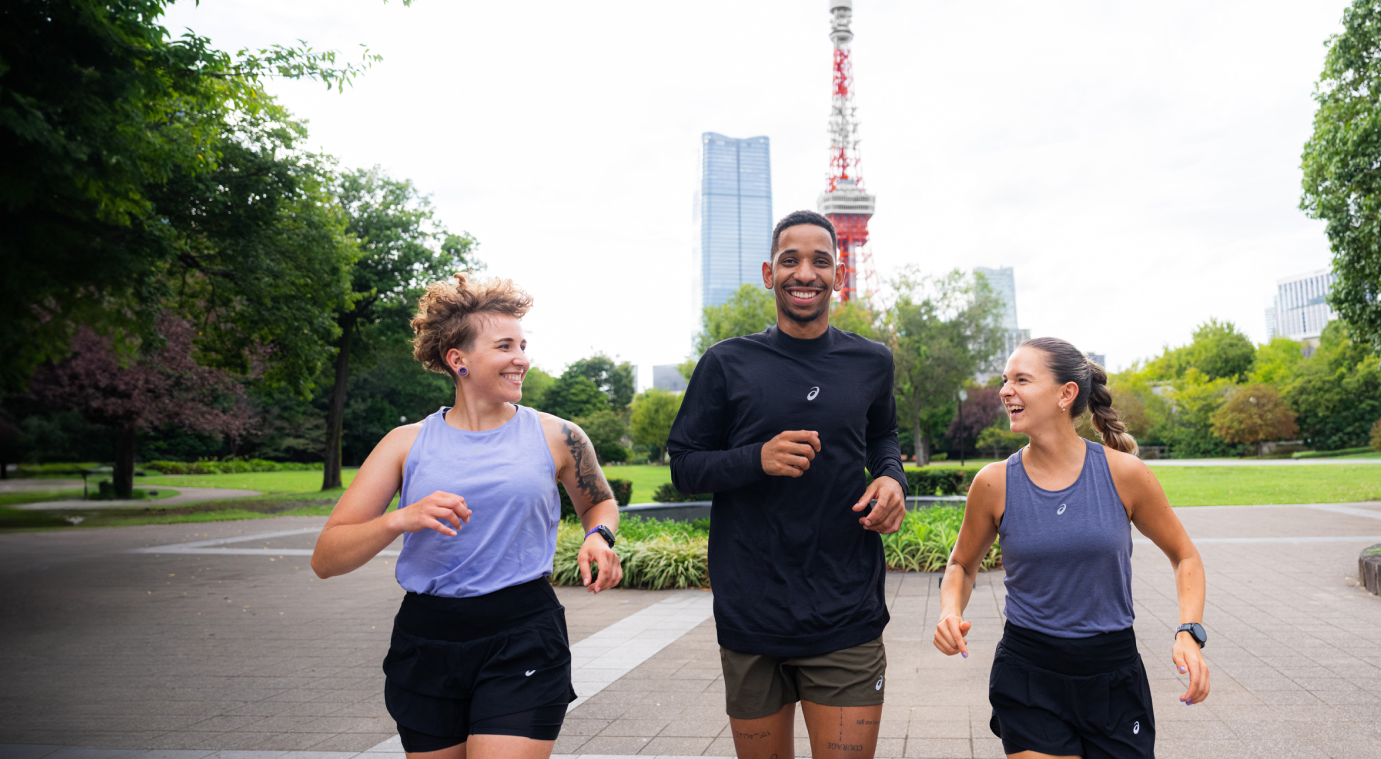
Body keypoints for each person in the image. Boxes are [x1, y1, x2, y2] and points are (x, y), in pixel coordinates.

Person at [310, 274, 623, 759]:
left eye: (523, 344)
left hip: (523, 634)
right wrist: (401, 518)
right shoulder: (404, 444)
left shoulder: (559, 435)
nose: (521, 358)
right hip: (427, 641)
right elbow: (326, 558)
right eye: (504, 346)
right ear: (458, 359)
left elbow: (598, 502)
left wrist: (599, 536)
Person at [667, 210, 909, 759]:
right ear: (767, 273)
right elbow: (683, 465)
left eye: (821, 261)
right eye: (790, 260)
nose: (806, 272)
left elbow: (883, 435)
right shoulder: (726, 363)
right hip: (752, 610)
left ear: (839, 275)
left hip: (846, 610)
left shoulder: (872, 362)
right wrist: (758, 458)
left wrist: (891, 477)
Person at [933, 337, 1209, 759]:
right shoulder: (993, 483)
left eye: (1021, 379)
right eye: (1005, 380)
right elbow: (961, 566)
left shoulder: (1125, 474)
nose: (1005, 390)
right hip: (1029, 674)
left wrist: (1189, 632)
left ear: (1066, 394)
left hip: (1112, 675)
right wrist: (950, 611)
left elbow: (1185, 555)